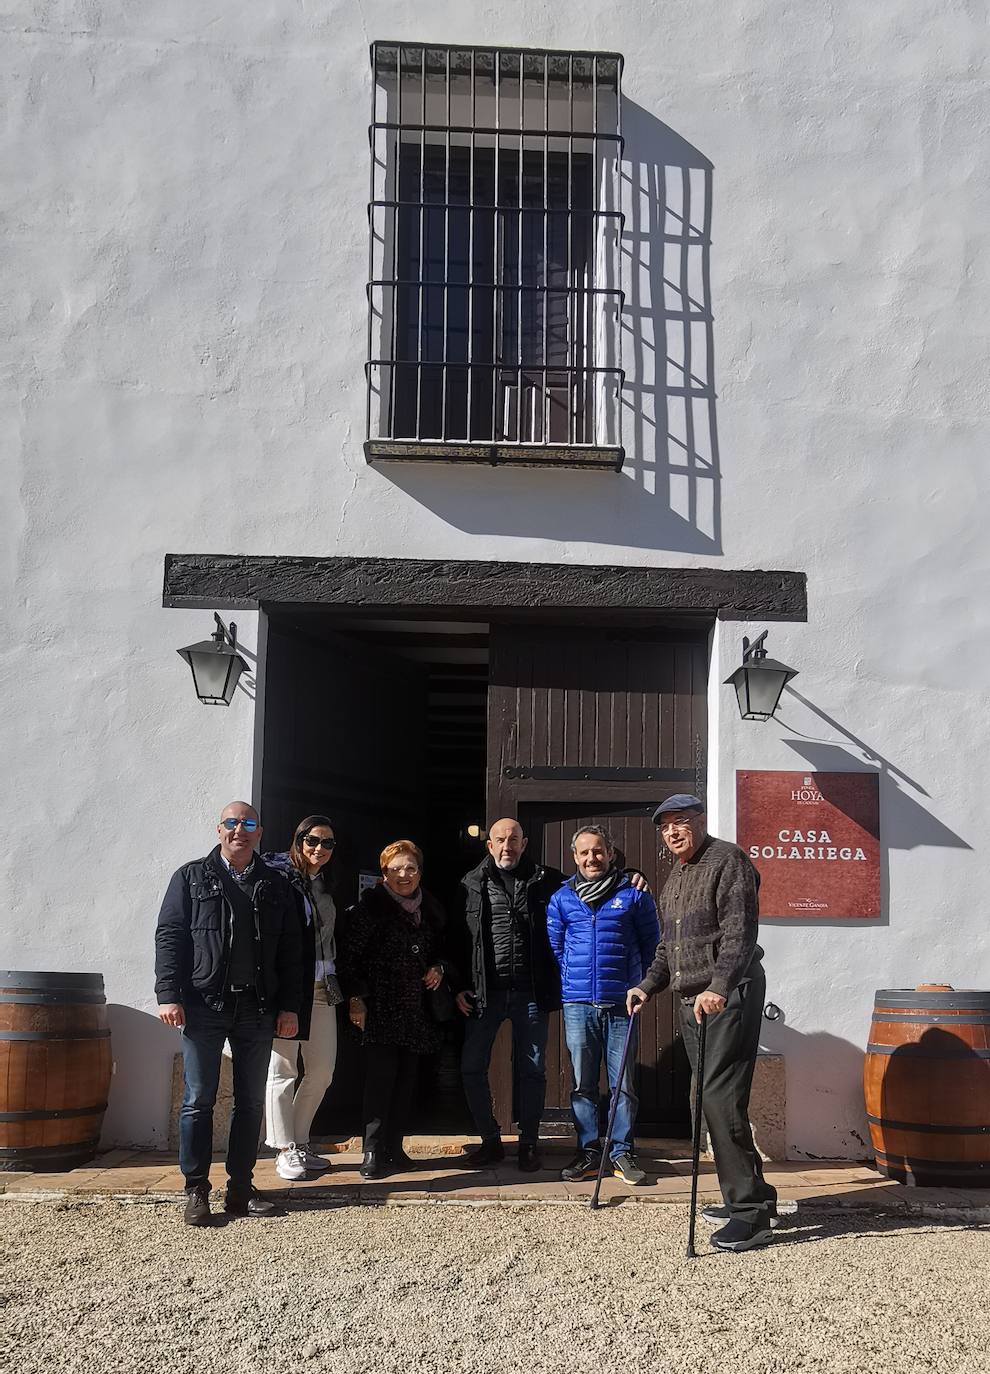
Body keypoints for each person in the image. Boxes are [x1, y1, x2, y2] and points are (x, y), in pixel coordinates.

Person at [627, 794, 778, 1253]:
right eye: (665, 826)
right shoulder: (676, 875)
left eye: (681, 822)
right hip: (692, 1001)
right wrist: (647, 986)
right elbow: (667, 949)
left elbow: (739, 930)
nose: (673, 832)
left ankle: (749, 1215)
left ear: (700, 821)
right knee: (708, 1096)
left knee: (720, 1098)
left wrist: (719, 985)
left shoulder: (726, 859)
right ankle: (756, 1196)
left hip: (726, 996)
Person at [155, 800, 303, 1225]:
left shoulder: (276, 884)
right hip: (205, 1005)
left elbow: (292, 952)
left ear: (259, 832)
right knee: (198, 1100)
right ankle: (196, 1189)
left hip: (258, 1008)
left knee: (251, 1102)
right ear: (219, 830)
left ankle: (240, 1189)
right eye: (232, 823)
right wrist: (169, 994)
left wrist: (290, 1006)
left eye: (249, 823)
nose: (240, 830)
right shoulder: (190, 877)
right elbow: (170, 937)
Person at [546, 826, 660, 1185]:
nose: (591, 858)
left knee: (622, 1083)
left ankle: (622, 1152)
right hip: (578, 1004)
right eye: (584, 853)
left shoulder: (634, 895)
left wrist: (637, 985)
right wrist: (575, 984)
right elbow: (558, 946)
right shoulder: (562, 899)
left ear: (610, 854)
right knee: (582, 1084)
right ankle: (589, 1150)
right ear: (574, 857)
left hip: (621, 1004)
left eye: (598, 852)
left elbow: (652, 944)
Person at [452, 818, 565, 1172]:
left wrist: (631, 874)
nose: (507, 847)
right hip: (485, 994)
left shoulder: (549, 881)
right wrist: (458, 985)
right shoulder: (469, 884)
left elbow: (593, 886)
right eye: (500, 840)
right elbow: (455, 939)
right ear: (489, 845)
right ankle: (490, 1141)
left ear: (524, 842)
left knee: (532, 1070)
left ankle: (529, 1143)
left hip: (531, 992)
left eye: (513, 840)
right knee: (472, 1067)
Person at [337, 840, 453, 1180]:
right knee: (379, 1082)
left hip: (416, 1011)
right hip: (380, 1009)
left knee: (406, 1083)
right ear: (384, 873)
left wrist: (440, 967)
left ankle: (395, 1146)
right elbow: (347, 960)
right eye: (396, 869)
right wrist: (356, 999)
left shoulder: (430, 909)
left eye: (411, 868)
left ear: (419, 872)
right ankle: (372, 1151)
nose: (404, 875)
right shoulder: (368, 909)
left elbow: (445, 950)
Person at [263, 815, 340, 1181]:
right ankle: (284, 1148)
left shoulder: (323, 883)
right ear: (298, 840)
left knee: (322, 1071)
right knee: (283, 1069)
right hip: (289, 989)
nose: (319, 849)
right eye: (312, 840)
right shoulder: (277, 878)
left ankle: (299, 1141)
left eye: (327, 844)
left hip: (324, 987)